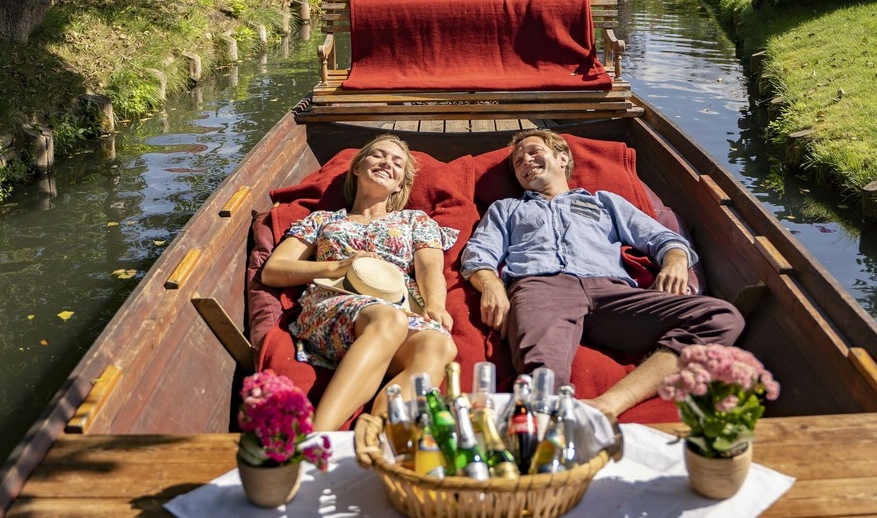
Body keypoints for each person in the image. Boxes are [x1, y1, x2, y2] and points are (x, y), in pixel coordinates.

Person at [462, 129, 744, 418]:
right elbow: (478, 254)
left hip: (612, 292)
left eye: (534, 152)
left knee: (720, 317)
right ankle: (551, 426)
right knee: (541, 380)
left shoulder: (604, 202)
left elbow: (661, 238)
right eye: (518, 161)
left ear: (562, 158)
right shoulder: (506, 209)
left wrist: (675, 261)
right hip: (541, 289)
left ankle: (611, 403)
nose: (526, 161)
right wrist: (491, 285)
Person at [261, 134, 460, 431]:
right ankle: (318, 436)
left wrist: (435, 305)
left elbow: (430, 268)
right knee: (388, 319)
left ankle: (376, 432)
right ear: (357, 167)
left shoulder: (415, 221)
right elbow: (273, 270)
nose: (387, 163)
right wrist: (337, 266)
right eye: (378, 155)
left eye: (397, 163)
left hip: (398, 303)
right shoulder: (323, 220)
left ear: (400, 185)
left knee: (439, 346)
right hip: (336, 298)